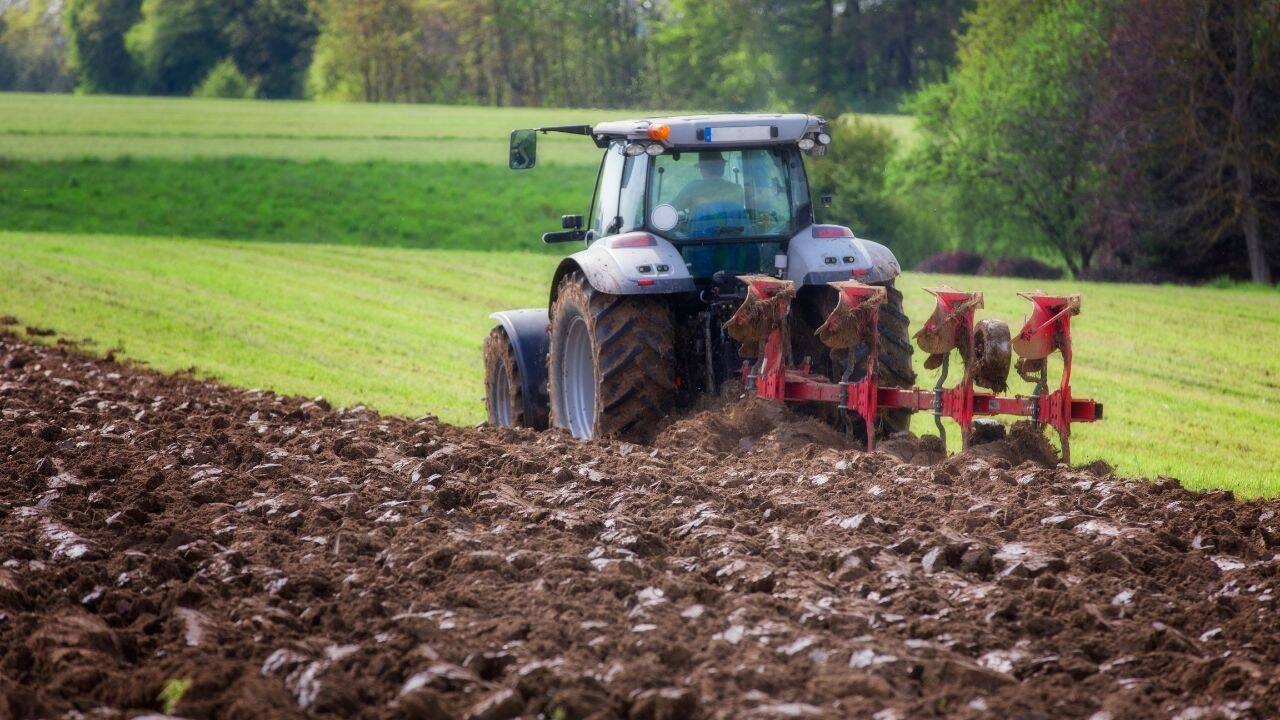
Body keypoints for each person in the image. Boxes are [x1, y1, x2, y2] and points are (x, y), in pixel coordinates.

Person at [671, 151, 742, 216]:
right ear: (722, 167)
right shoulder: (737, 189)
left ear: (703, 170)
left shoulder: (693, 188)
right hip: (734, 226)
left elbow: (672, 208)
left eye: (700, 168)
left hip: (700, 226)